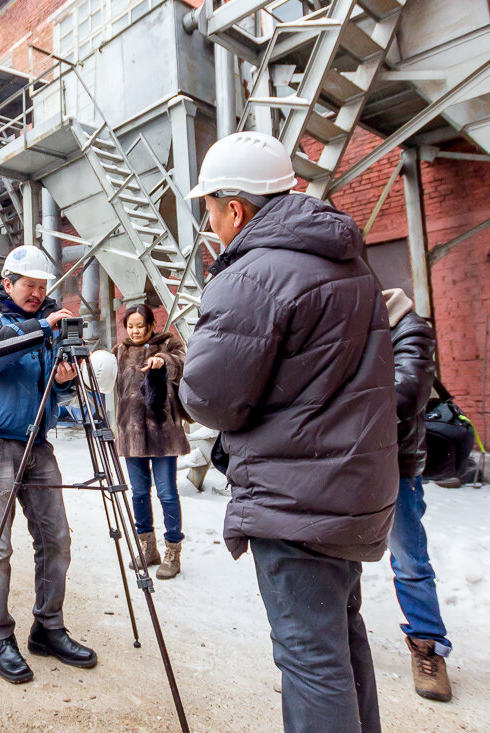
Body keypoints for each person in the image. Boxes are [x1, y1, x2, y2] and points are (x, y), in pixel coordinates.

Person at [180, 132, 398, 733]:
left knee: (309, 660)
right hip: (351, 489)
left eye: (210, 209)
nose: (210, 223)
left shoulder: (250, 275)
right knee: (341, 646)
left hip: (296, 495)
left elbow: (208, 399)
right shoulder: (348, 259)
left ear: (236, 208)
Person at [0, 245, 97, 685]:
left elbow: (52, 398)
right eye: (29, 285)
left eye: (42, 287)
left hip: (38, 443)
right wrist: (40, 329)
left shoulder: (50, 327)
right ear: (8, 283)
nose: (37, 293)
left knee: (56, 540)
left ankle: (48, 627)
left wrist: (63, 385)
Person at [382, 287, 452, 702]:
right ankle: (332, 646)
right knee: (336, 554)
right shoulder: (351, 327)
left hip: (396, 465)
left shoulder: (410, 329)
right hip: (348, 463)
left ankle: (427, 646)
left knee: (409, 558)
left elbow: (405, 394)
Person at [112, 304, 189, 579]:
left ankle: (172, 551)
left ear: (150, 326)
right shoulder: (119, 351)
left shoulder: (167, 344)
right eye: (130, 326)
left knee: (167, 492)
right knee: (139, 493)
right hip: (132, 434)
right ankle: (148, 548)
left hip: (162, 433)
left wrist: (162, 362)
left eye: (139, 326)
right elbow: (102, 377)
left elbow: (181, 363)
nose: (134, 331)